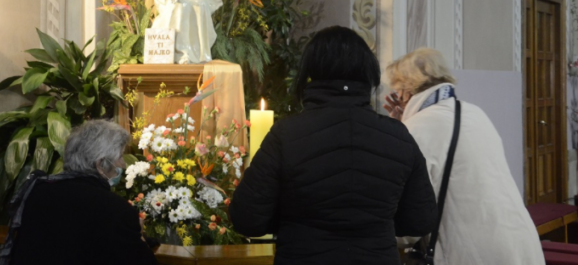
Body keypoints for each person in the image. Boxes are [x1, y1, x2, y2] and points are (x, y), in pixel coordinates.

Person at [229, 26, 437, 264]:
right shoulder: (398, 137)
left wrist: (291, 220)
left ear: (311, 72)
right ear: (368, 73)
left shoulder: (286, 135)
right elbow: (421, 220)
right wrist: (376, 220)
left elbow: (247, 219)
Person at [384, 48, 544, 265]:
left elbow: (413, 218)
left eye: (397, 90)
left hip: (474, 253)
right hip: (519, 243)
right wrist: (406, 123)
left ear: (406, 90)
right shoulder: (474, 112)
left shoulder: (419, 127)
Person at [8, 119, 158, 265]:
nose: (123, 164)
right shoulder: (115, 210)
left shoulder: (37, 191)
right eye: (120, 157)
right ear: (100, 165)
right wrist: (139, 236)